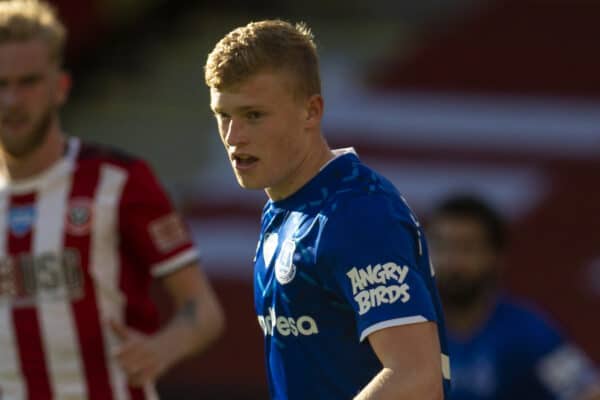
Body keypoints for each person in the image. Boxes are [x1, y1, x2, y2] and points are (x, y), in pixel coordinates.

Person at [204, 19, 449, 399]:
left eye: (253, 115)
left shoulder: (356, 214)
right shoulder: (287, 211)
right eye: (224, 115)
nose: (234, 137)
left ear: (310, 111)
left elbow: (416, 377)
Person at [0, 1, 225, 399]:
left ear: (60, 87)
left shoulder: (117, 180)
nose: (13, 100)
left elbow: (202, 311)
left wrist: (160, 348)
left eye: (29, 82)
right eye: (1, 84)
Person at [427, 194, 600, 400]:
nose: (451, 262)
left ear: (496, 257)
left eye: (467, 248)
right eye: (441, 247)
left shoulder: (529, 331)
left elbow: (588, 391)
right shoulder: (406, 329)